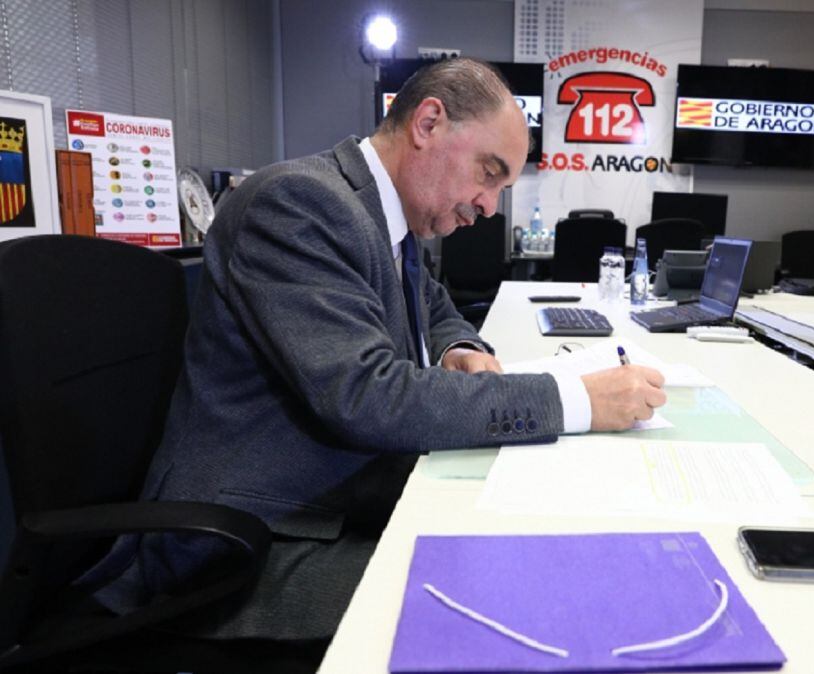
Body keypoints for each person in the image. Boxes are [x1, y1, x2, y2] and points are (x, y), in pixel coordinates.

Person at [89, 58, 666, 642]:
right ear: (429, 123)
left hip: (334, 500)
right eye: (488, 173)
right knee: (505, 604)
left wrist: (458, 347)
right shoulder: (297, 204)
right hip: (246, 540)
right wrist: (577, 399)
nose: (490, 205)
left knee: (528, 544)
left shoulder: (388, 218)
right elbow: (368, 395)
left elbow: (436, 308)